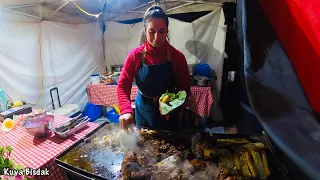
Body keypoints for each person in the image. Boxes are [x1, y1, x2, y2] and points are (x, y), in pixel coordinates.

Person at [116, 5, 190, 130]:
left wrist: (173, 106)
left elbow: (185, 90)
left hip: (169, 113)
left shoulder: (177, 57)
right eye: (152, 31)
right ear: (145, 31)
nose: (156, 37)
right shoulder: (135, 56)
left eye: (161, 31)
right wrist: (125, 110)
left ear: (167, 31)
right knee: (143, 147)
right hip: (143, 110)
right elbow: (123, 86)